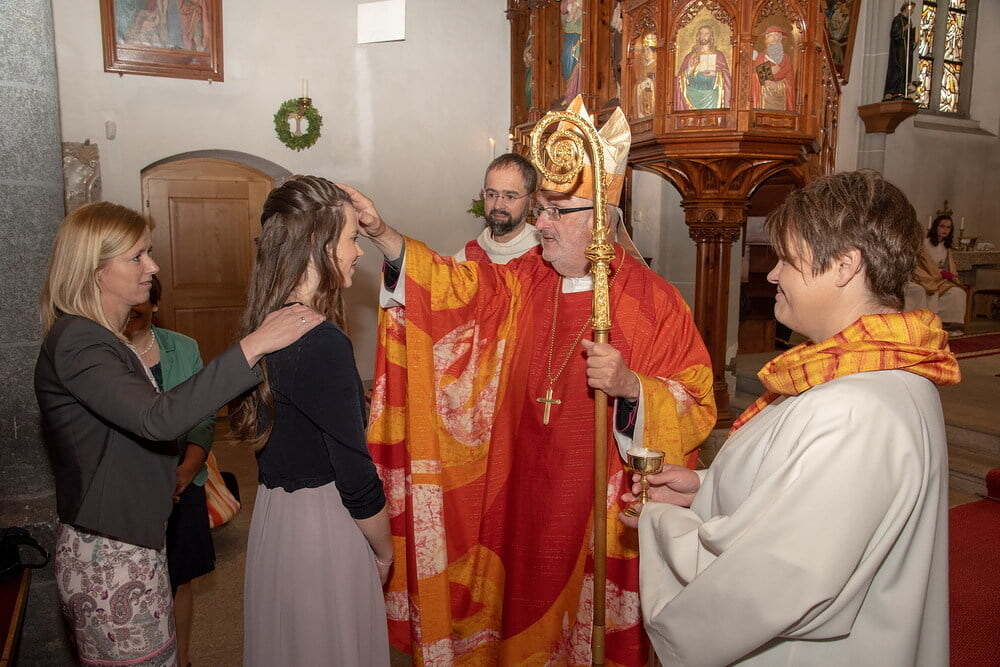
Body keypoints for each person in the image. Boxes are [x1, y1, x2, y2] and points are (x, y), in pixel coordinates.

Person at [355, 96, 716, 665]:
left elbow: (695, 400)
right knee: (515, 601)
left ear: (601, 218)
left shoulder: (654, 303)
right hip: (517, 483)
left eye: (556, 211)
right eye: (540, 208)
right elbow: (454, 292)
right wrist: (384, 235)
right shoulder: (525, 280)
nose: (539, 223)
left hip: (594, 501)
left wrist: (632, 388)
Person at [627, 170, 958, 666]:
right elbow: (805, 497)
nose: (773, 274)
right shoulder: (867, 372)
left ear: (845, 265)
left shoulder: (854, 408)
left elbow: (776, 581)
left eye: (788, 258)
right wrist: (703, 488)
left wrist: (660, 523)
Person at [35, 201, 320, 666]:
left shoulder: (102, 338)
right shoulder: (79, 340)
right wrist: (253, 346)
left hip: (131, 540)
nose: (153, 267)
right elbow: (157, 418)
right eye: (137, 256)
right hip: (110, 552)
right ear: (95, 270)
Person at [231, 175, 392, 666]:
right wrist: (384, 550)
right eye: (351, 239)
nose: (358, 252)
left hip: (277, 517)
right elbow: (354, 471)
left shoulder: (269, 323)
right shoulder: (320, 340)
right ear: (320, 246)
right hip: (321, 527)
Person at [124, 275, 214, 667]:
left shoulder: (183, 347)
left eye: (140, 305)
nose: (132, 313)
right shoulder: (105, 353)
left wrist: (188, 469)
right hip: (132, 488)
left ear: (155, 305)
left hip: (183, 478)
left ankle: (183, 658)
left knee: (181, 574)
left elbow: (203, 418)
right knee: (138, 580)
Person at [454, 153, 541, 264]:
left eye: (510, 197)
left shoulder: (546, 256)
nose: (497, 206)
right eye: (491, 195)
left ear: (531, 201)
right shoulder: (467, 257)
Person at [904, 214, 967, 334]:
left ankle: (950, 325)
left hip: (939, 280)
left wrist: (950, 275)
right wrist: (939, 274)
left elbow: (949, 267)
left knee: (958, 292)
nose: (945, 230)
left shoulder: (946, 247)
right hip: (924, 278)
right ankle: (930, 325)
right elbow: (919, 266)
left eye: (948, 227)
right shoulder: (924, 244)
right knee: (929, 291)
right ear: (935, 227)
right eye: (942, 226)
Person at [674, 24, 733, 110]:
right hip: (692, 94)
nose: (703, 36)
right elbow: (679, 78)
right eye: (701, 33)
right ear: (698, 36)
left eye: (706, 33)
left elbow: (726, 75)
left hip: (712, 94)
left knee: (712, 112)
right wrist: (689, 70)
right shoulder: (690, 56)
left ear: (711, 36)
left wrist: (716, 73)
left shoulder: (718, 55)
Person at [751, 26, 796, 111]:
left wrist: (778, 82)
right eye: (772, 36)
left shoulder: (786, 58)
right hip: (764, 97)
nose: (775, 39)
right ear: (767, 39)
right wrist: (769, 72)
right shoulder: (761, 57)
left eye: (778, 36)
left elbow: (790, 78)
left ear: (781, 39)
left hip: (782, 96)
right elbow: (755, 75)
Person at [883, 2, 916, 100]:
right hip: (898, 50)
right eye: (911, 9)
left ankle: (902, 91)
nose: (912, 11)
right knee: (897, 69)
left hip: (906, 51)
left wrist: (914, 41)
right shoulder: (898, 19)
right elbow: (894, 34)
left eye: (913, 10)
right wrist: (904, 28)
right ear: (906, 8)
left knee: (905, 70)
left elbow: (909, 38)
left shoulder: (909, 21)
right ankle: (891, 92)